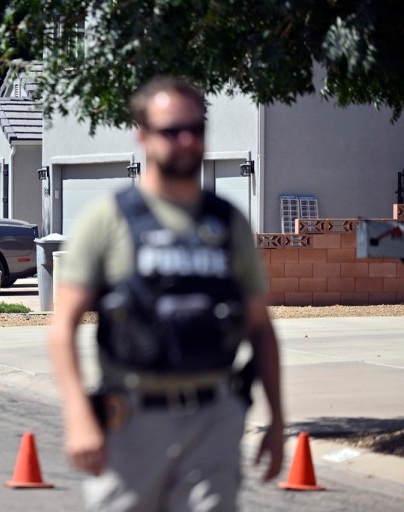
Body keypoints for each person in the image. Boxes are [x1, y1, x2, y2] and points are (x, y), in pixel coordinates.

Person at [48, 76, 284, 511]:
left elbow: (259, 327)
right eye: (171, 131)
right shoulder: (108, 219)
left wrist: (277, 421)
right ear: (143, 135)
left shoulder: (227, 223)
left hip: (216, 416)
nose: (187, 140)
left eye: (196, 129)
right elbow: (62, 326)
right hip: (133, 421)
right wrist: (79, 416)